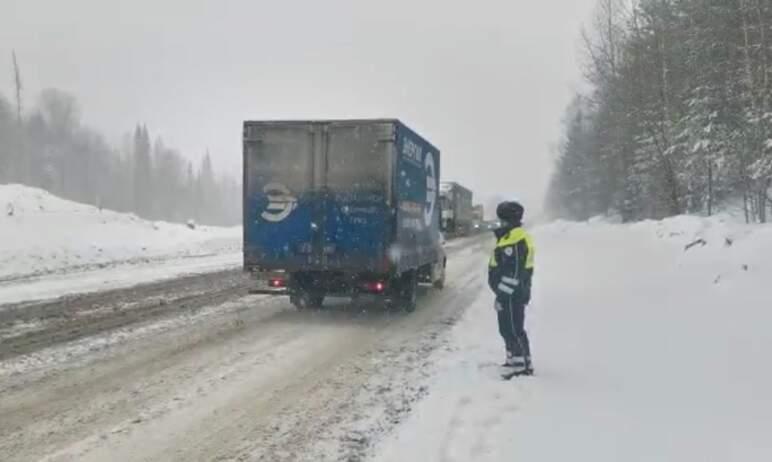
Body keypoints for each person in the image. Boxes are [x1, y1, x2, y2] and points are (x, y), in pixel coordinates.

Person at [488, 201, 535, 376]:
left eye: (501, 219)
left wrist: (502, 295)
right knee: (507, 328)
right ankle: (513, 360)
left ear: (509, 220)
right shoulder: (509, 237)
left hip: (512, 294)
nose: (498, 222)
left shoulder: (515, 240)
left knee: (514, 329)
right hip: (509, 293)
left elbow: (513, 273)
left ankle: (522, 365)